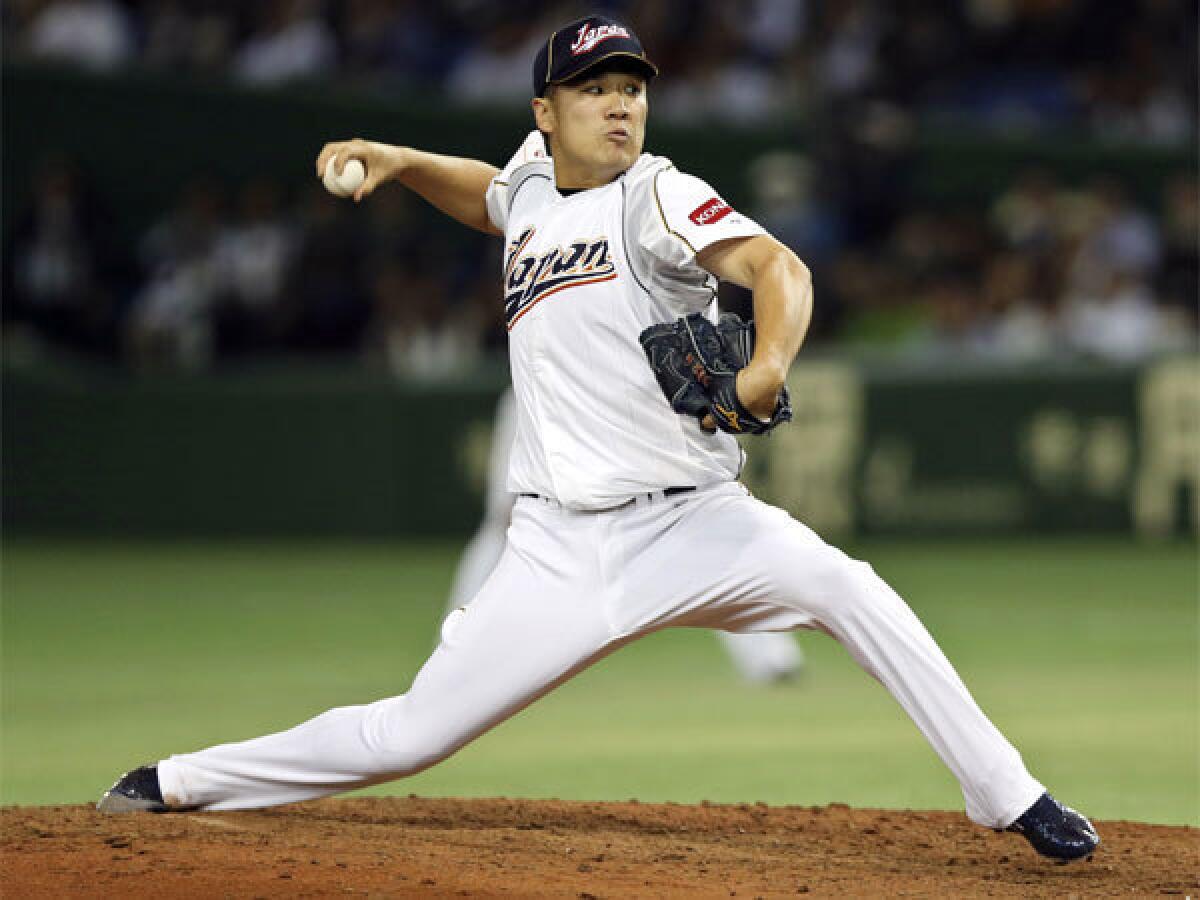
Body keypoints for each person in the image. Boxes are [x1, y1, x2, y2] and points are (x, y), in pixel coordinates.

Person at [98, 14, 1099, 862]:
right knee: (408, 735)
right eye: (591, 89)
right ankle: (178, 781)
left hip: (699, 527)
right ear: (546, 113)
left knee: (851, 589)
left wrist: (765, 368)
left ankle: (1006, 793)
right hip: (559, 549)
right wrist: (400, 162)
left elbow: (776, 266)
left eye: (630, 87)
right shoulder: (533, 183)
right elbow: (490, 193)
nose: (619, 104)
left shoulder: (656, 192)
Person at [447, 386, 804, 684]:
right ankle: (455, 654)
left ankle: (770, 656)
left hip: (625, 387)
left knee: (698, 526)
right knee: (502, 524)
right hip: (544, 384)